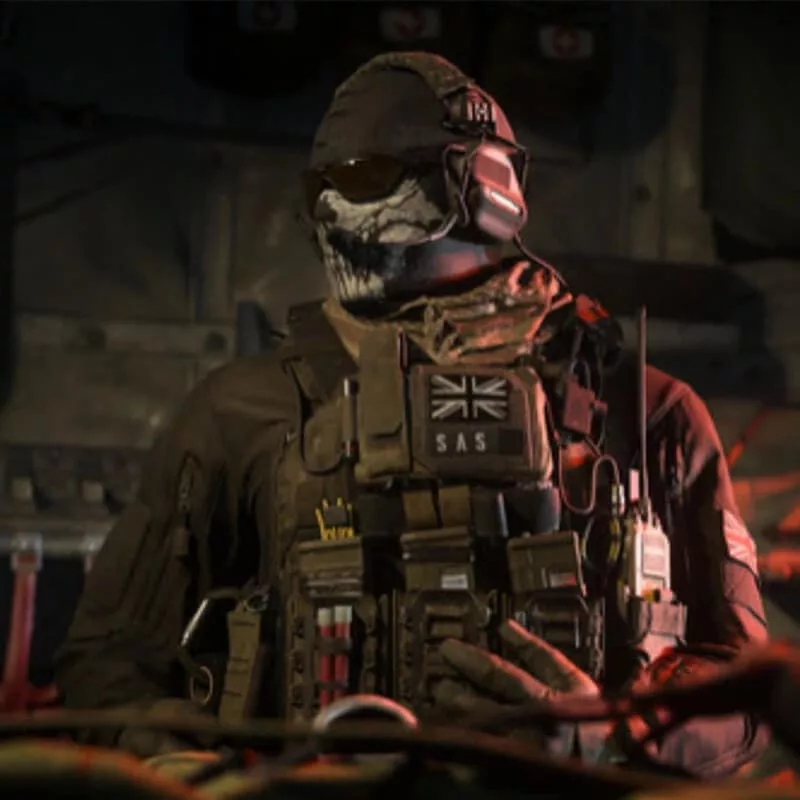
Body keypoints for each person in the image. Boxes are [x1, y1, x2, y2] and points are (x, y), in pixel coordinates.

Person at [54, 52, 768, 775]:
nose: (333, 209)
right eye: (323, 186)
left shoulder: (647, 415)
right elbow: (107, 664)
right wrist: (202, 770)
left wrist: (611, 737)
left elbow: (748, 695)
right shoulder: (240, 414)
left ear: (481, 189)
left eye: (365, 178)